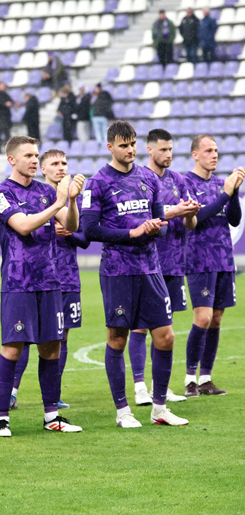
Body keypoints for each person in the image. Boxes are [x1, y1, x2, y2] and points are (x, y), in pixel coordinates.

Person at [81, 120, 188, 428]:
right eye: (123, 145)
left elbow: (158, 219)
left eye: (133, 145)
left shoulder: (148, 178)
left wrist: (156, 226)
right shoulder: (98, 182)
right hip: (117, 271)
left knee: (165, 337)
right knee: (117, 338)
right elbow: (89, 230)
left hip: (151, 268)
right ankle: (122, 411)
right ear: (110, 147)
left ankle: (159, 408)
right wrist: (132, 232)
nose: (130, 150)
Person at [0, 136, 85, 437]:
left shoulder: (46, 191)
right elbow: (23, 225)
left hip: (50, 281)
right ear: (12, 160)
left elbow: (71, 226)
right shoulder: (1, 193)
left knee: (52, 349)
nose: (34, 160)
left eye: (36, 155)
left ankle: (52, 415)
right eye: (28, 155)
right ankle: (1, 419)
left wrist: (69, 200)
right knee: (12, 349)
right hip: (19, 282)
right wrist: (58, 202)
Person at [9, 149, 90, 410]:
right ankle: (12, 390)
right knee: (23, 337)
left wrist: (67, 233)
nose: (61, 168)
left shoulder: (75, 196)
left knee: (60, 337)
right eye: (54, 163)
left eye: (64, 162)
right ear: (43, 169)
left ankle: (54, 393)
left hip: (67, 277)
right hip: (37, 277)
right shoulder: (38, 197)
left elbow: (85, 236)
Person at [128, 129, 198, 405]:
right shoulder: (140, 178)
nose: (168, 155)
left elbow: (189, 224)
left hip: (172, 264)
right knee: (139, 329)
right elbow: (142, 216)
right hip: (144, 263)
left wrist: (190, 213)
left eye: (171, 150)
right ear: (150, 150)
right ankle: (139, 386)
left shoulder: (178, 180)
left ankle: (160, 387)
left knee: (164, 328)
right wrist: (173, 211)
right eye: (163, 150)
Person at [182, 135, 243, 397]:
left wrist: (235, 193)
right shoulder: (185, 183)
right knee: (203, 318)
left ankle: (206, 378)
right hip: (199, 259)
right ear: (195, 154)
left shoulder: (222, 184)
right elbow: (198, 216)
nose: (214, 155)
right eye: (208, 150)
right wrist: (225, 194)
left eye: (216, 150)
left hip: (223, 260)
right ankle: (189, 379)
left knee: (216, 320)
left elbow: (234, 219)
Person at [0, 82, 14, 154]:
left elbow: (11, 101)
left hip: (6, 118)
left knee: (7, 134)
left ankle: (8, 149)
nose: (3, 87)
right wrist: (5, 104)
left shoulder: (5, 94)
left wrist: (11, 103)